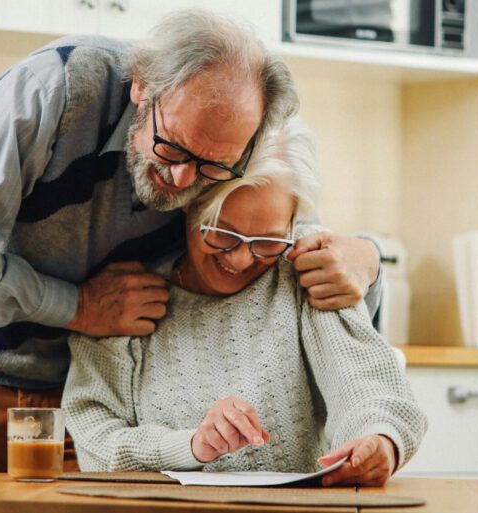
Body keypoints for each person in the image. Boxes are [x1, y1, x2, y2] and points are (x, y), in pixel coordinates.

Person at [0, 10, 383, 476]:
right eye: (170, 146)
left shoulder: (238, 136)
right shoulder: (55, 88)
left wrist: (367, 257)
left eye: (212, 167)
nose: (181, 180)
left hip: (75, 399)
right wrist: (78, 306)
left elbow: (289, 240)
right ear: (141, 85)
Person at [63, 119, 427, 485]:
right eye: (221, 233)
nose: (239, 260)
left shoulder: (305, 272)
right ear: (188, 206)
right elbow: (95, 442)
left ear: (292, 225)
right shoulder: (125, 300)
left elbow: (370, 388)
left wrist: (381, 441)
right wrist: (190, 446)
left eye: (267, 242)